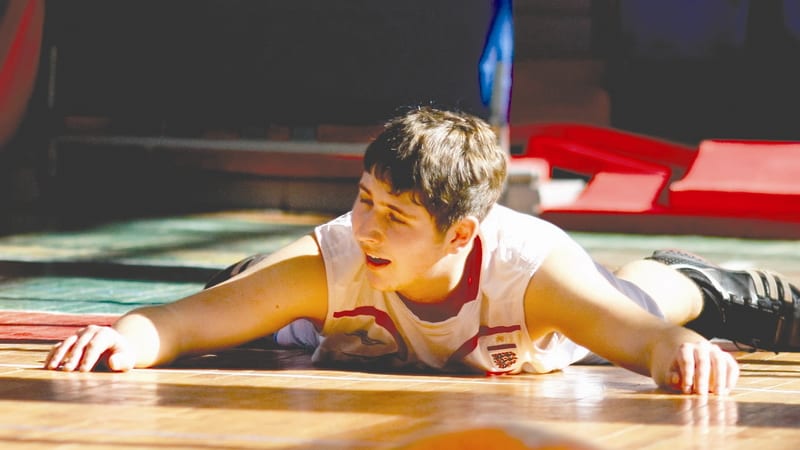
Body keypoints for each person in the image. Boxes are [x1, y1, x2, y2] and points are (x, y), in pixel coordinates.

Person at [44, 107, 800, 396]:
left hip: (547, 325)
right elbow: (177, 321)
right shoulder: (336, 259)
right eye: (363, 197)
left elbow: (643, 339)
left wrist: (679, 350)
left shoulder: (531, 273)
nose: (368, 227)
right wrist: (125, 338)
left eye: (396, 215)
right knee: (245, 301)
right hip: (333, 319)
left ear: (459, 234)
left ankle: (691, 276)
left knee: (645, 299)